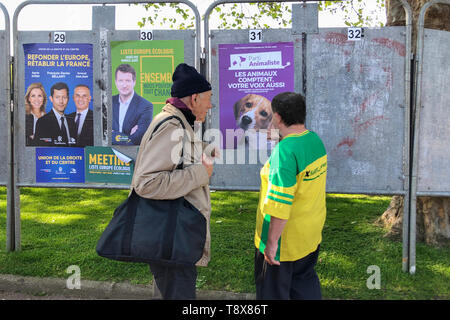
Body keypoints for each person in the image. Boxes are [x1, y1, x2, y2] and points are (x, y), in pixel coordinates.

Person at [130, 63, 215, 300]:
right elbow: (146, 182)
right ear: (194, 98)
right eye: (208, 98)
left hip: (174, 235)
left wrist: (204, 149)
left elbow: (173, 158)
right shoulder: (171, 125)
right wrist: (200, 174)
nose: (210, 105)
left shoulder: (178, 121)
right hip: (172, 237)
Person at [254, 92, 327, 300]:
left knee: (272, 294)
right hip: (309, 237)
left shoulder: (285, 151)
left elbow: (280, 202)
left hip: (283, 245)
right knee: (304, 287)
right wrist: (281, 141)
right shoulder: (314, 140)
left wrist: (271, 244)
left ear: (277, 117)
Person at [112, 64, 153, 145]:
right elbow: (103, 134)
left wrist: (114, 135)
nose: (124, 85)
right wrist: (128, 137)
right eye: (120, 80)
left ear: (134, 82)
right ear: (115, 82)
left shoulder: (146, 106)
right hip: (109, 155)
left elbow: (138, 138)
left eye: (128, 81)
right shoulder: (108, 102)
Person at [34, 82, 76, 147]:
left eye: (64, 97)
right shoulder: (42, 122)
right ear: (51, 99)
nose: (61, 101)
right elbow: (40, 150)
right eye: (57, 97)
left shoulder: (72, 121)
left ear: (68, 99)